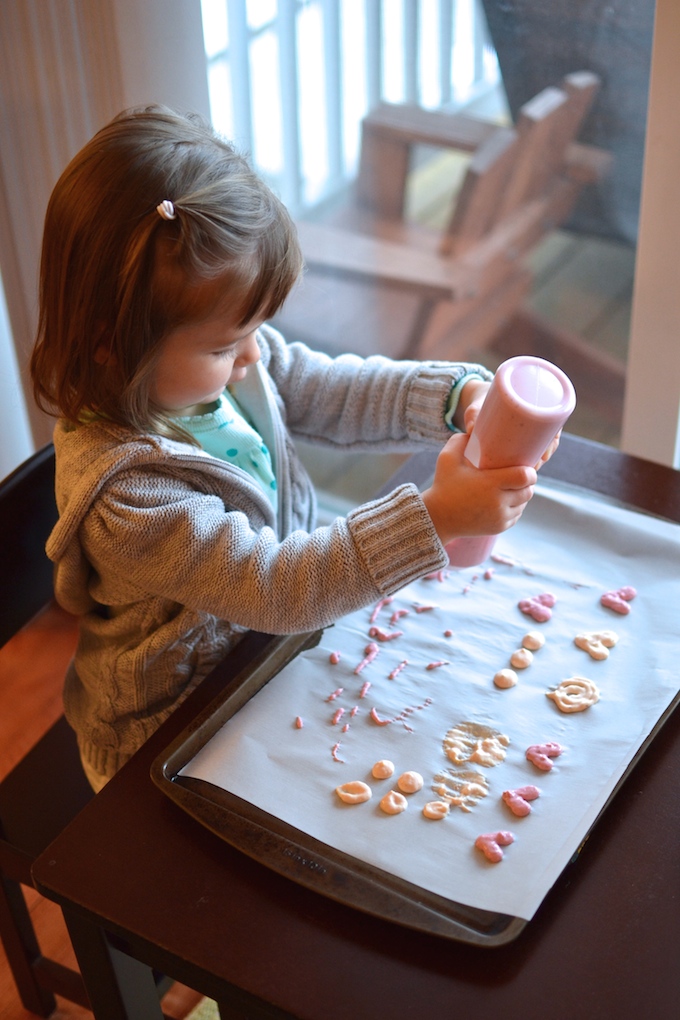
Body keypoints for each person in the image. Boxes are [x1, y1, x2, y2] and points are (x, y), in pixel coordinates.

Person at [30, 106, 538, 792]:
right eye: (221, 344)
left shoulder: (216, 369)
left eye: (259, 327)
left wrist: (454, 399)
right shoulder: (125, 499)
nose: (251, 356)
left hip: (264, 660)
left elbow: (328, 390)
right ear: (108, 342)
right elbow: (275, 586)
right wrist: (435, 519)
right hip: (161, 740)